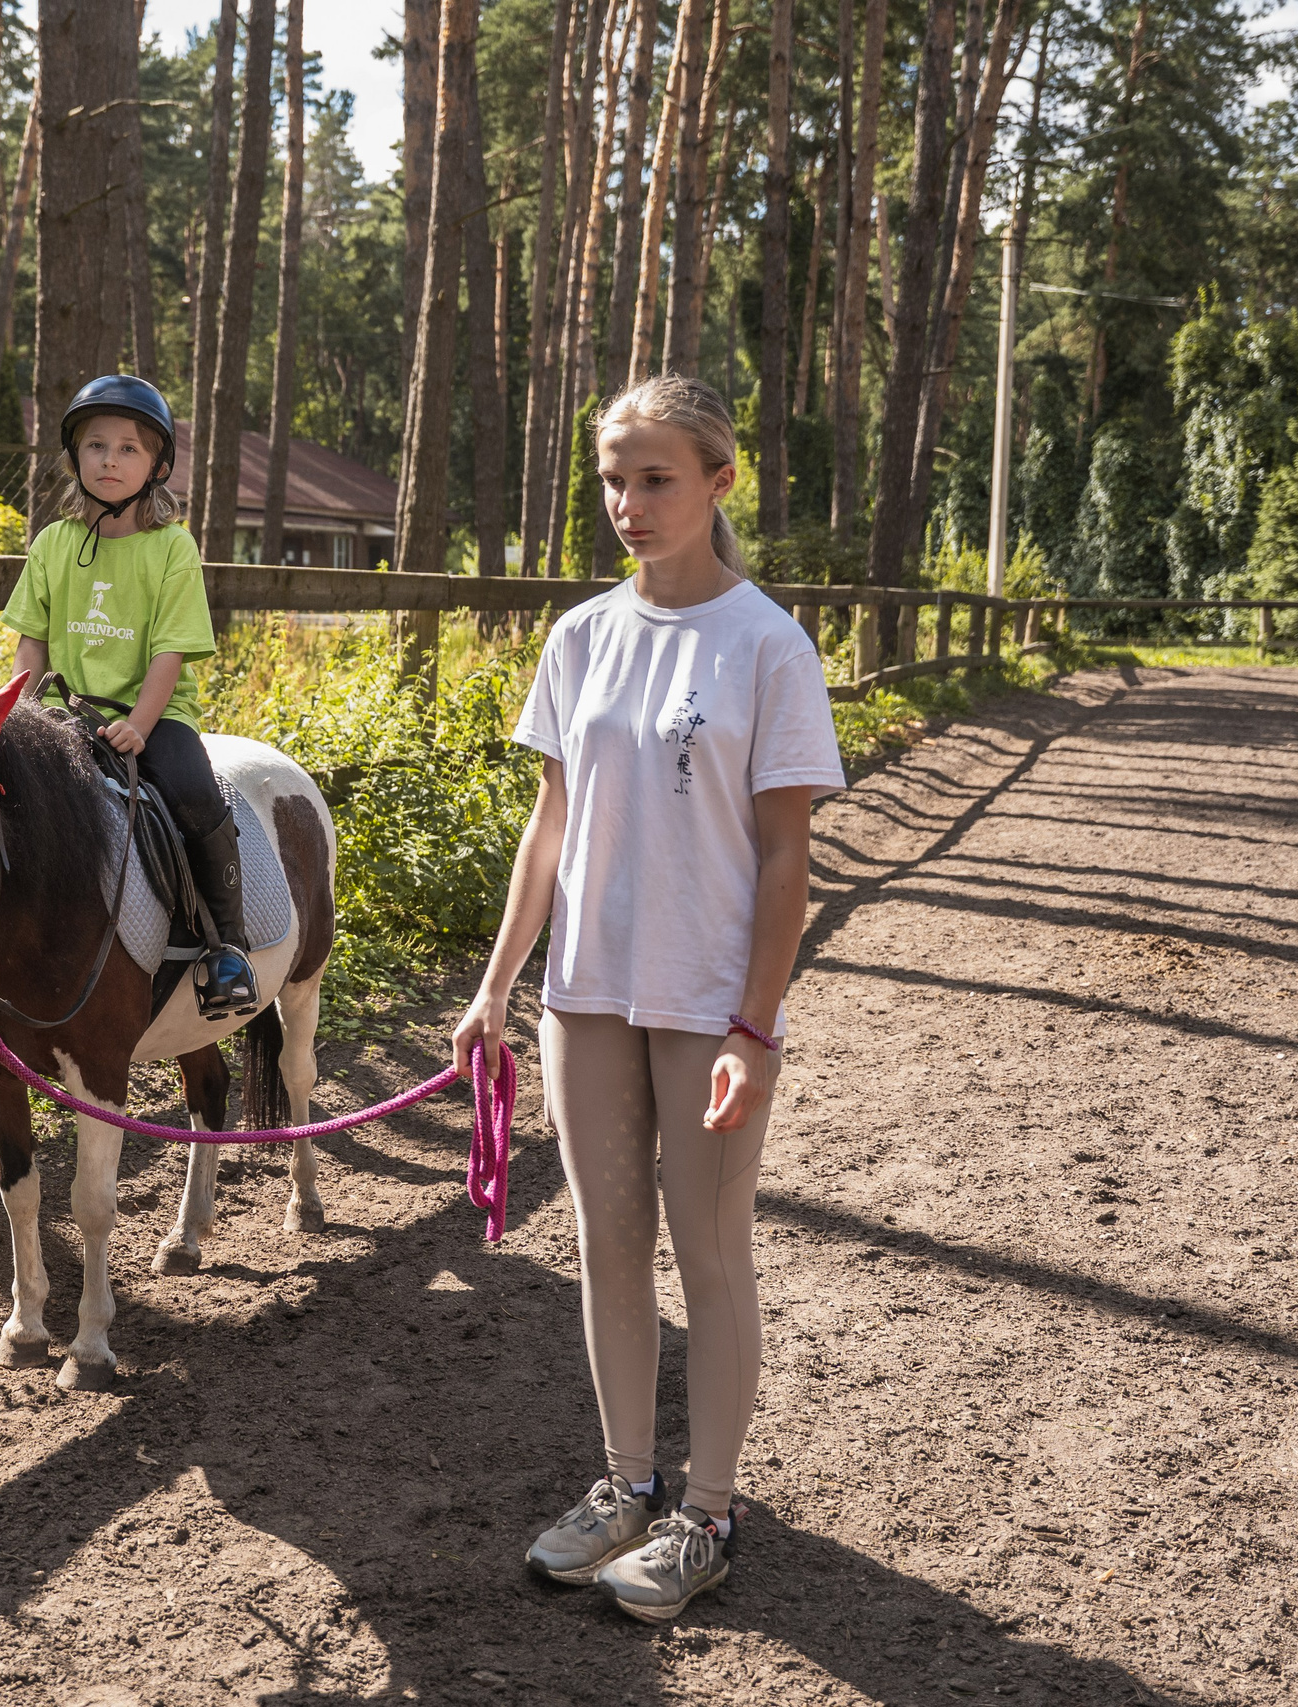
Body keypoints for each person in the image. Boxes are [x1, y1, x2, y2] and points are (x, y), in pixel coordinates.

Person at [450, 374, 846, 1623]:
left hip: (706, 1001)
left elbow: (787, 854)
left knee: (709, 1254)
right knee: (604, 1247)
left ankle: (709, 1513)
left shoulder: (767, 644)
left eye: (656, 477)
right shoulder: (580, 635)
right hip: (588, 997)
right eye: (614, 479)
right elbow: (551, 823)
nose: (628, 503)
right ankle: (626, 1484)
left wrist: (757, 1024)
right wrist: (498, 980)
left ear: (720, 481)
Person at [1, 374, 259, 1019]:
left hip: (154, 715)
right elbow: (31, 643)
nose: (109, 460)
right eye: (95, 446)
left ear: (157, 466)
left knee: (195, 792)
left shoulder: (172, 548)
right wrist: (26, 718)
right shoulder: (54, 543)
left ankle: (226, 947)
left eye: (128, 449)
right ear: (74, 458)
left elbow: (170, 651)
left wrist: (142, 725)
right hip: (65, 713)